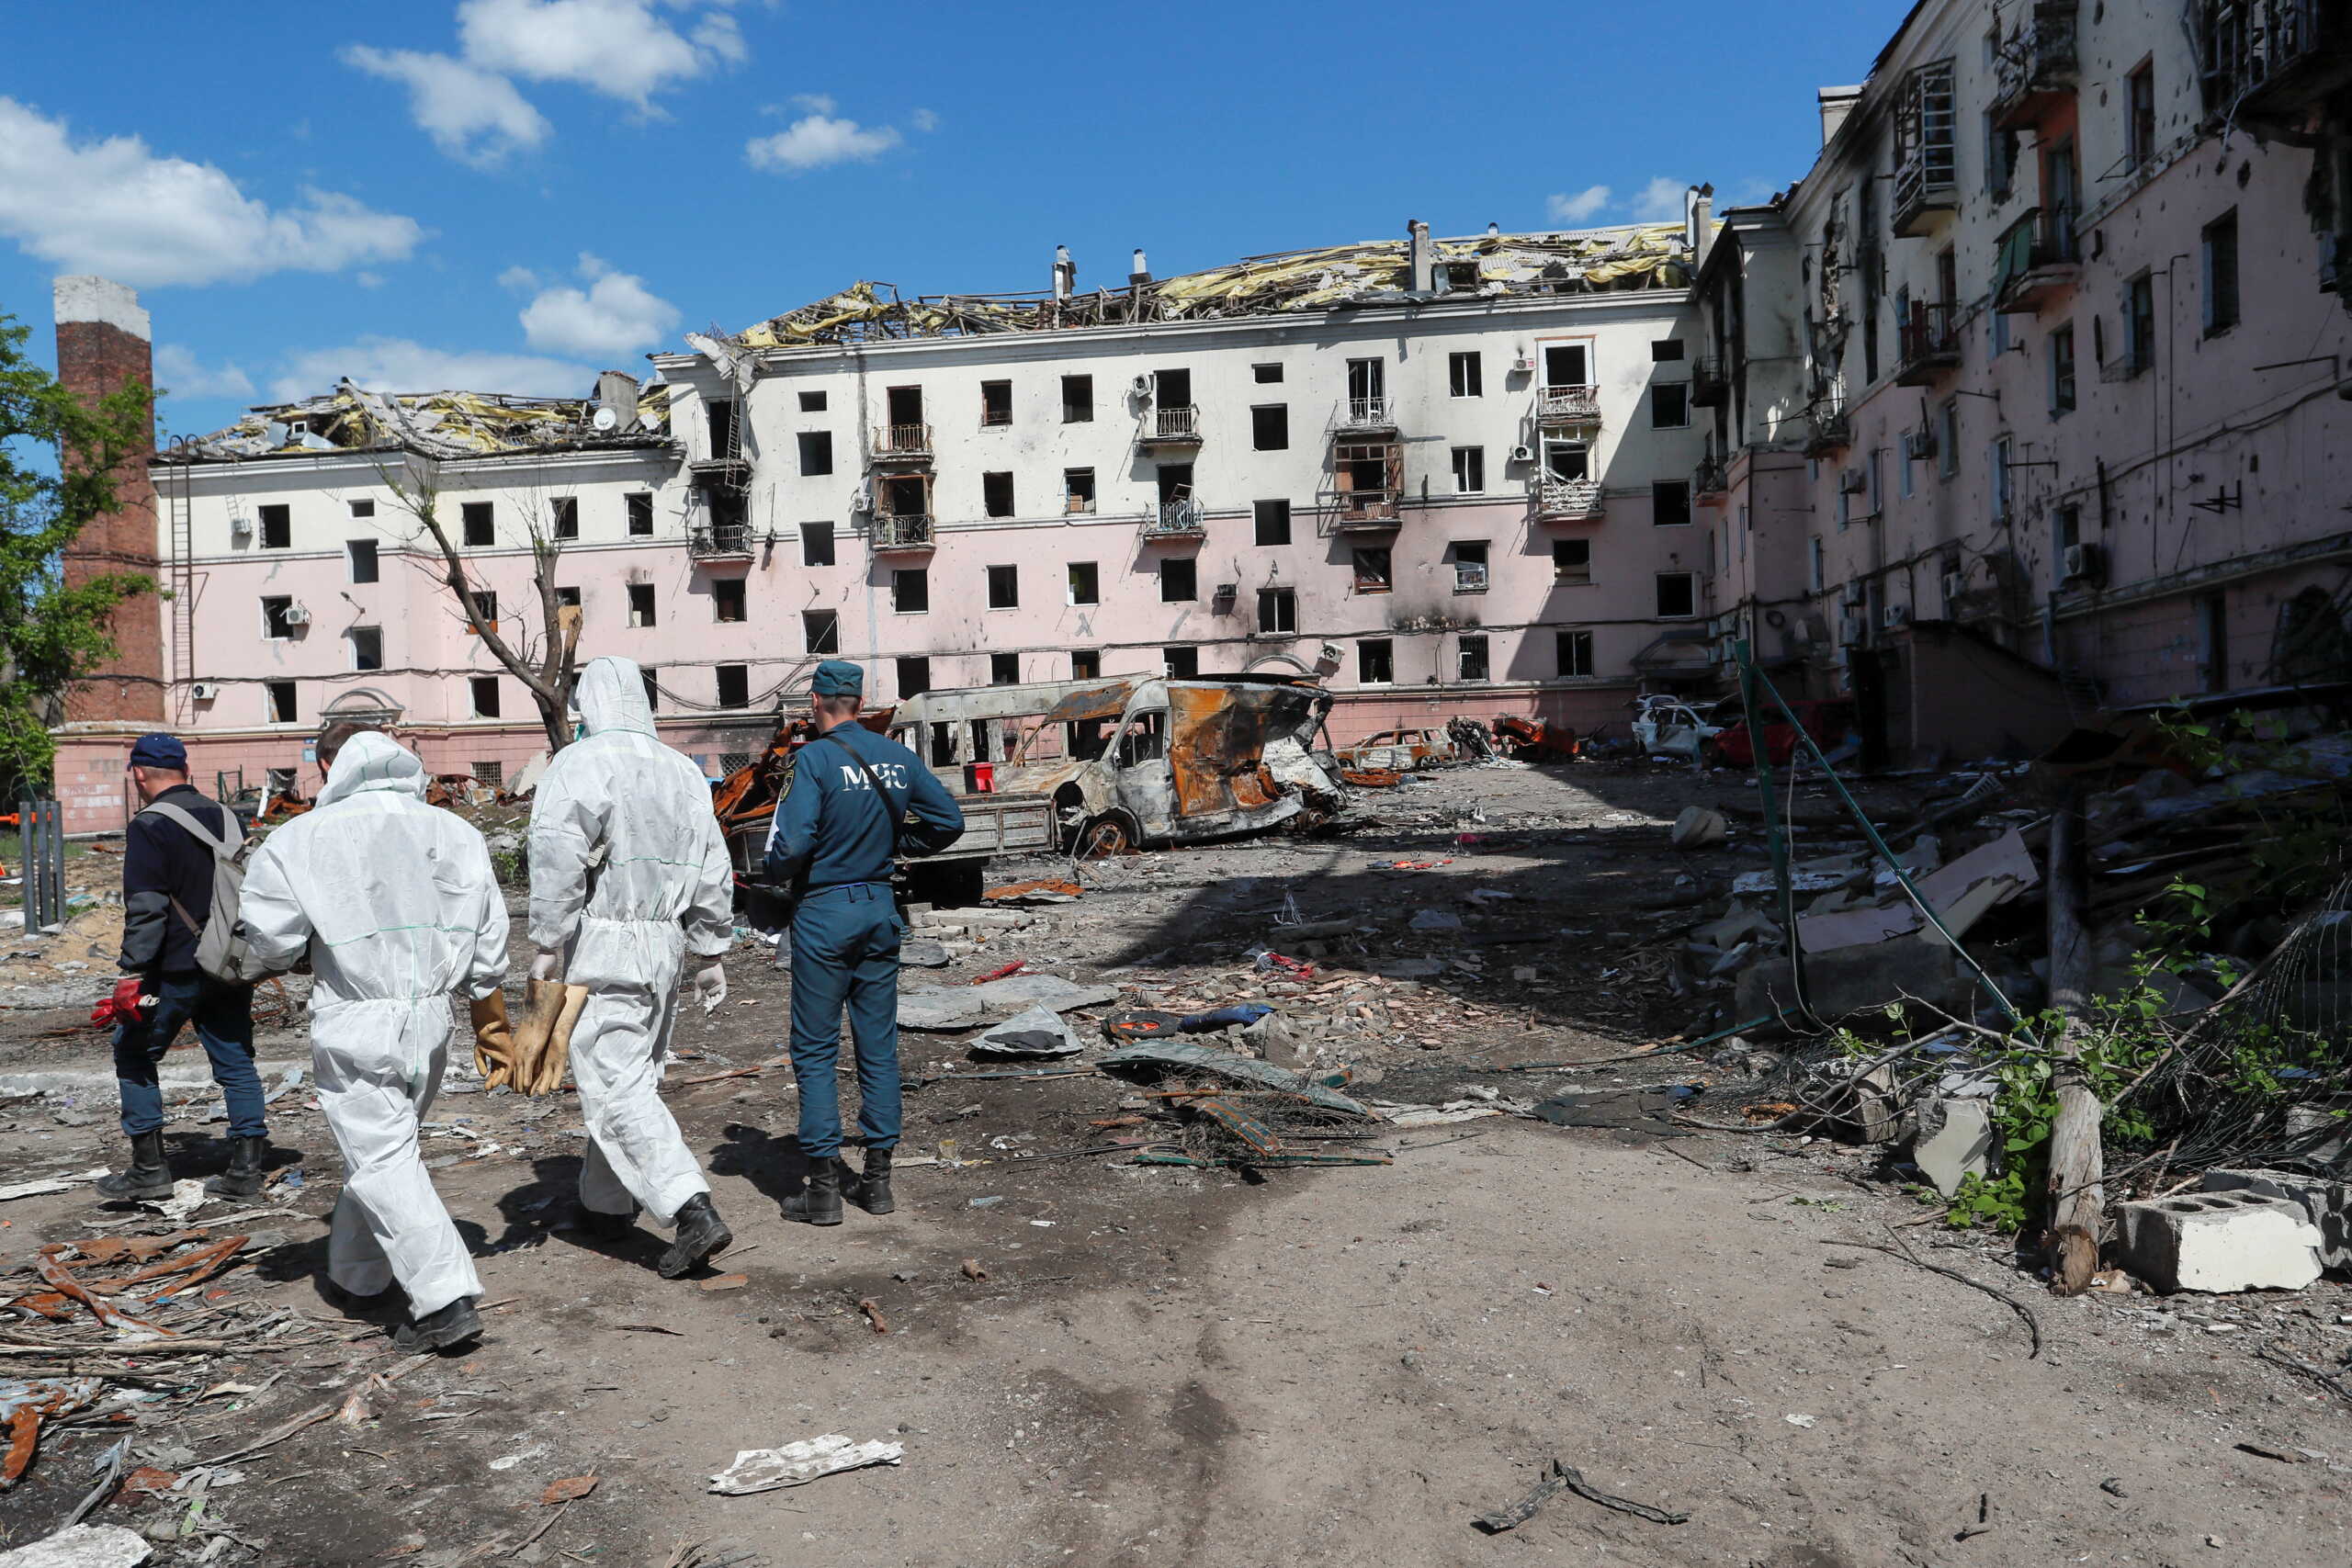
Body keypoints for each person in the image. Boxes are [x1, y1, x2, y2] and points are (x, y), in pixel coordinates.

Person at [237, 729, 507, 1353]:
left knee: (383, 1156)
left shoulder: (302, 837)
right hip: (431, 1014)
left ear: (332, 768)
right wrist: (483, 998)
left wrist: (307, 945)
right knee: (389, 1147)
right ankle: (360, 1274)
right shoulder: (456, 832)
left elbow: (271, 939)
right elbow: (488, 934)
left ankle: (443, 1299)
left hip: (357, 1013)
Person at [526, 656, 735, 1278]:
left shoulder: (579, 764)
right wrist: (711, 948)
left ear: (588, 701)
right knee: (626, 1075)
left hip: (605, 938)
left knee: (613, 1080)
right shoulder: (682, 770)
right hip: (663, 942)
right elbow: (712, 862)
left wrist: (548, 940)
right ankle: (605, 1204)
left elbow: (557, 853)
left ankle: (688, 1205)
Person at [765, 660, 964, 1225]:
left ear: (818, 701)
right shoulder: (898, 757)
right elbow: (948, 821)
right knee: (878, 1047)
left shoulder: (815, 760)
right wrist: (901, 841)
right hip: (880, 909)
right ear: (856, 700)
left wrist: (775, 873)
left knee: (816, 1050)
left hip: (826, 913)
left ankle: (824, 1192)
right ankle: (877, 1185)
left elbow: (794, 843)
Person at [98, 733, 266, 1202]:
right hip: (229, 962)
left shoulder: (149, 825)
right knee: (235, 1060)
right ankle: (246, 1171)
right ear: (186, 771)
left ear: (139, 774)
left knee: (133, 1053)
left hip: (172, 969)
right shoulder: (227, 817)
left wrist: (131, 974)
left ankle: (150, 1170)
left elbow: (147, 909)